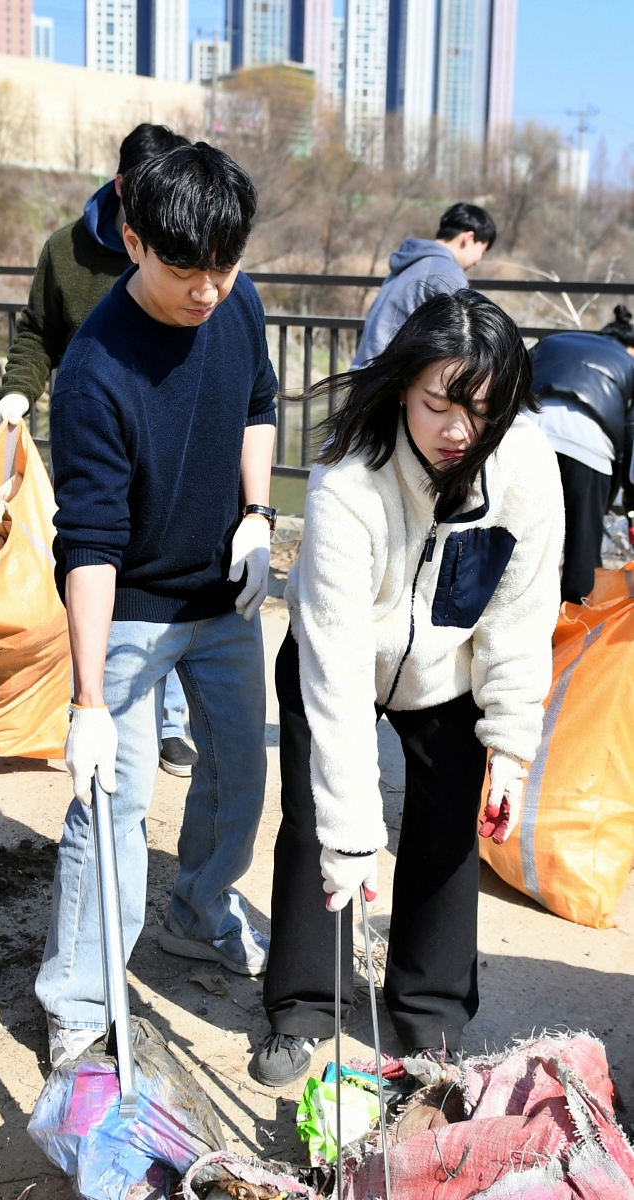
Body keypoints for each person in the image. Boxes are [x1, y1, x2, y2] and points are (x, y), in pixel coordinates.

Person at [255, 290, 562, 1085]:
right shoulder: (346, 479)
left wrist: (510, 747)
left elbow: (521, 618)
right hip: (341, 657)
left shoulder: (525, 464)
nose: (460, 430)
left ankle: (428, 1012)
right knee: (316, 822)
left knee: (447, 831)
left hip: (449, 671)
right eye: (440, 404)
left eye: (483, 411)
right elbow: (340, 667)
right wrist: (353, 835)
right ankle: (301, 1004)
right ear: (402, 387)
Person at [37, 141, 277, 1068]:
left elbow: (259, 402)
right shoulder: (97, 368)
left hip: (223, 592)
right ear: (132, 241)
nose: (209, 289)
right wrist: (88, 700)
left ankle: (198, 912)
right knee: (112, 800)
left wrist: (257, 515)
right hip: (132, 605)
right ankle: (79, 998)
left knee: (237, 776)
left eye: (225, 263)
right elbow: (89, 541)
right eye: (186, 268)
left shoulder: (237, 298)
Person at [0, 121, 198, 778]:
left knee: (168, 577)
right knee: (98, 570)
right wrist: (18, 392)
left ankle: (171, 721)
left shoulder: (186, 245)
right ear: (122, 190)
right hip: (95, 440)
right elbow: (37, 335)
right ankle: (98, 705)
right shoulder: (65, 252)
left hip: (169, 442)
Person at [524, 307, 634, 603]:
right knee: (582, 549)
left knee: (518, 533)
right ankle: (576, 625)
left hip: (525, 433)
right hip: (588, 446)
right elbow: (630, 438)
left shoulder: (557, 341)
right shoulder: (628, 362)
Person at [353, 202, 496, 368]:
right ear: (468, 238)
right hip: (387, 378)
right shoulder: (446, 271)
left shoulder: (412, 262)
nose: (478, 261)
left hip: (365, 369)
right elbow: (462, 337)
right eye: (482, 251)